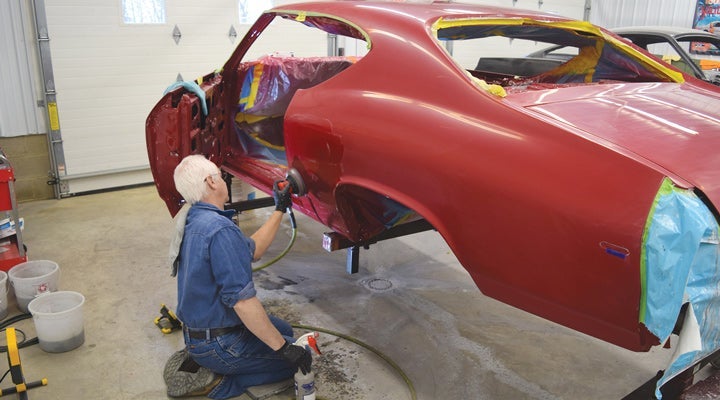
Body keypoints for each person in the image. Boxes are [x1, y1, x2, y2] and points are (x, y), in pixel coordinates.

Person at [164, 154, 311, 399]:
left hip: (199, 334)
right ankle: (220, 381)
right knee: (300, 358)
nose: (223, 180)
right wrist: (284, 349)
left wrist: (280, 207)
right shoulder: (219, 230)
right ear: (211, 182)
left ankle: (209, 359)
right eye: (221, 176)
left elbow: (254, 249)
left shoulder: (195, 218)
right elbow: (242, 303)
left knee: (284, 330)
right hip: (218, 344)